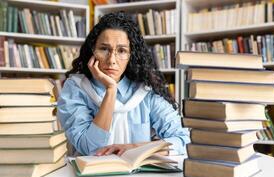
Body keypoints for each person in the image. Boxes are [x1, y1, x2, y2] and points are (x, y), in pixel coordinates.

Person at [57, 12, 190, 157]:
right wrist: (111, 90)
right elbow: (90, 148)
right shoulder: (76, 88)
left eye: (121, 50)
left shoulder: (145, 92)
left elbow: (185, 139)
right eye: (104, 49)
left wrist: (136, 147)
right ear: (92, 51)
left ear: (131, 56)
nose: (111, 60)